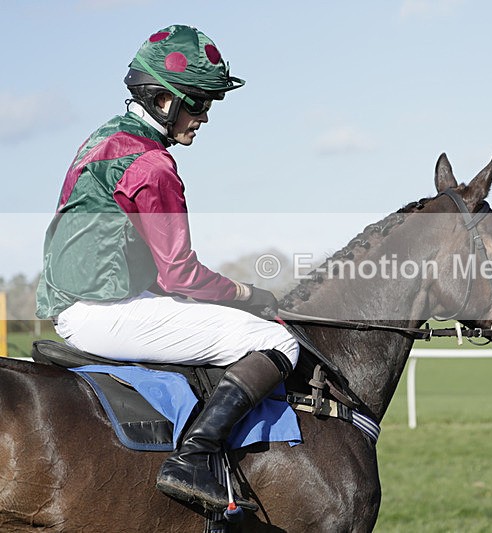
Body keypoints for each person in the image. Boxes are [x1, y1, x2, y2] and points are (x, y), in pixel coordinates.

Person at [35, 25, 299, 512]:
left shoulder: (105, 138)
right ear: (163, 100)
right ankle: (195, 458)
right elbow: (179, 275)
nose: (204, 118)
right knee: (276, 340)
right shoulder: (153, 166)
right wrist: (248, 295)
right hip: (106, 312)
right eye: (198, 104)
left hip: (84, 302)